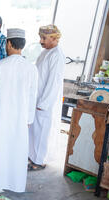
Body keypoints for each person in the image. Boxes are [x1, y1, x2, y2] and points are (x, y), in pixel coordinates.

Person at [0, 28, 38, 192]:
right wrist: (29, 120)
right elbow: (33, 96)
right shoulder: (31, 69)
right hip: (20, 118)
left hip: (0, 117)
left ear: (9, 44)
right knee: (15, 151)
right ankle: (15, 184)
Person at [28, 25, 65, 171]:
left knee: (43, 131)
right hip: (38, 98)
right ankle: (33, 156)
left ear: (54, 38)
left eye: (44, 38)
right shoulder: (45, 52)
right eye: (41, 37)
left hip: (46, 101)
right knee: (35, 130)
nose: (41, 41)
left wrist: (44, 102)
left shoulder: (57, 55)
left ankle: (39, 160)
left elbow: (53, 82)